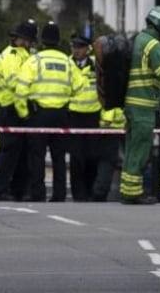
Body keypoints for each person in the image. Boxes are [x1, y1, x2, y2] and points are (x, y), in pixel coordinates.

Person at [119, 6, 160, 205]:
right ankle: (133, 194)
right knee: (141, 149)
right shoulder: (153, 46)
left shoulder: (137, 40)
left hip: (130, 105)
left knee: (132, 147)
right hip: (143, 106)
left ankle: (127, 190)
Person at [15, 21, 85, 202]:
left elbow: (20, 90)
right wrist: (67, 101)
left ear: (42, 41)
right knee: (59, 157)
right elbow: (81, 86)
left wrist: (25, 114)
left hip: (38, 115)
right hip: (62, 115)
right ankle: (59, 195)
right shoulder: (67, 62)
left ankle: (38, 194)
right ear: (58, 40)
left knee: (37, 156)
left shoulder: (34, 60)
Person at [0, 19, 37, 201]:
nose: (27, 44)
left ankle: (17, 191)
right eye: (26, 40)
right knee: (10, 154)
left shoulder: (24, 57)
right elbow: (11, 83)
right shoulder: (10, 57)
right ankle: (2, 190)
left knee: (21, 154)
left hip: (17, 111)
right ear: (19, 39)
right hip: (11, 111)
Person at [67, 33, 100, 202]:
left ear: (87, 49)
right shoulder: (67, 64)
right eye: (74, 47)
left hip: (93, 114)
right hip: (74, 114)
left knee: (92, 156)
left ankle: (89, 190)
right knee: (76, 158)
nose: (77, 50)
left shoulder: (96, 65)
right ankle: (78, 194)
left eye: (80, 47)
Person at [91, 106, 125, 202]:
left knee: (106, 161)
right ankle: (100, 192)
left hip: (108, 127)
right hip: (114, 127)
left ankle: (99, 192)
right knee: (108, 161)